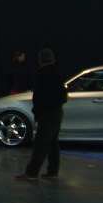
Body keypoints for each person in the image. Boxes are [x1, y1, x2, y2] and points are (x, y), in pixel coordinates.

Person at [16, 47, 67, 181]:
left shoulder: (43, 75)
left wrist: (39, 112)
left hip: (47, 114)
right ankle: (53, 171)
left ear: (40, 60)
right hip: (56, 112)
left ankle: (32, 172)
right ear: (53, 59)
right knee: (52, 143)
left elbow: (40, 97)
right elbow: (63, 96)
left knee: (40, 143)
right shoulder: (56, 73)